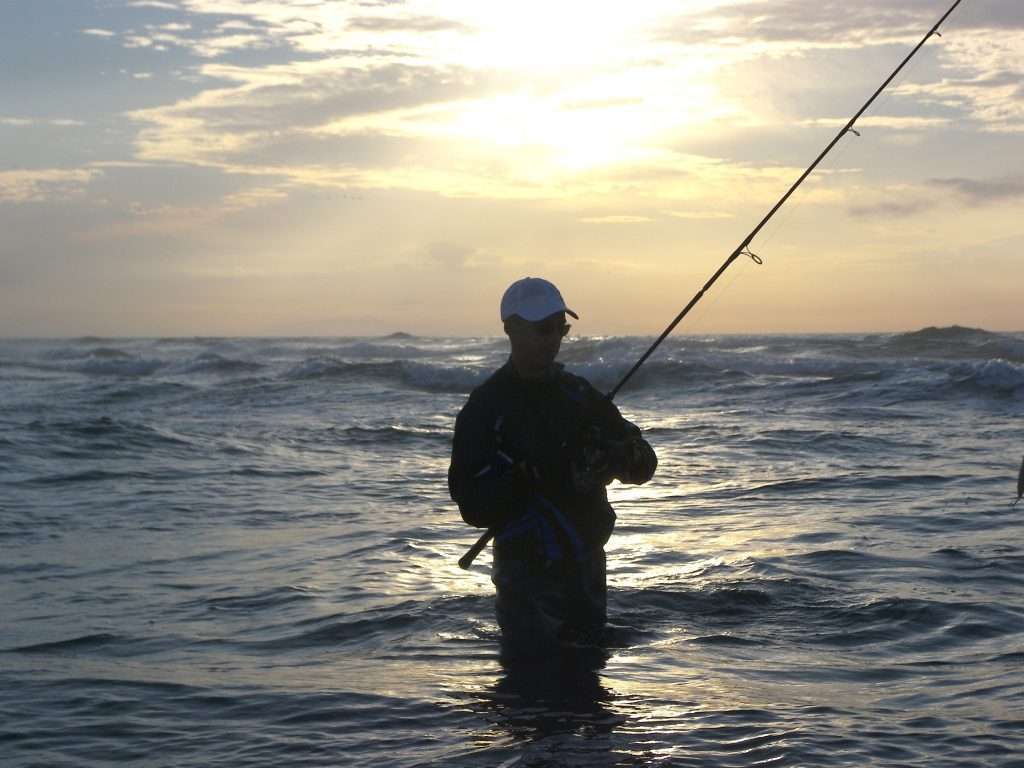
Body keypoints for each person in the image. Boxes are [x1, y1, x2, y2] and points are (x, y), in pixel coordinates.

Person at [448, 277, 657, 655]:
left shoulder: (580, 396)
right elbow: (470, 502)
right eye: (543, 329)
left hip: (587, 575)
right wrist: (524, 478)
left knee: (589, 679)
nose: (554, 339)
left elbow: (644, 461)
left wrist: (615, 457)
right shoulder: (485, 408)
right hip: (524, 586)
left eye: (560, 329)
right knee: (531, 679)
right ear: (512, 329)